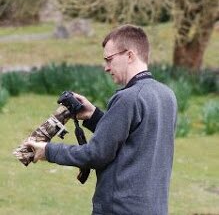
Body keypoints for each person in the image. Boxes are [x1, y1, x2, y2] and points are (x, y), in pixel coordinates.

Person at [25, 24, 177, 215]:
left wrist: (48, 151)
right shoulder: (167, 95)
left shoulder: (128, 98)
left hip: (119, 209)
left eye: (109, 59)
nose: (106, 68)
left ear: (129, 55)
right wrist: (93, 116)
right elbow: (134, 139)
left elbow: (96, 154)